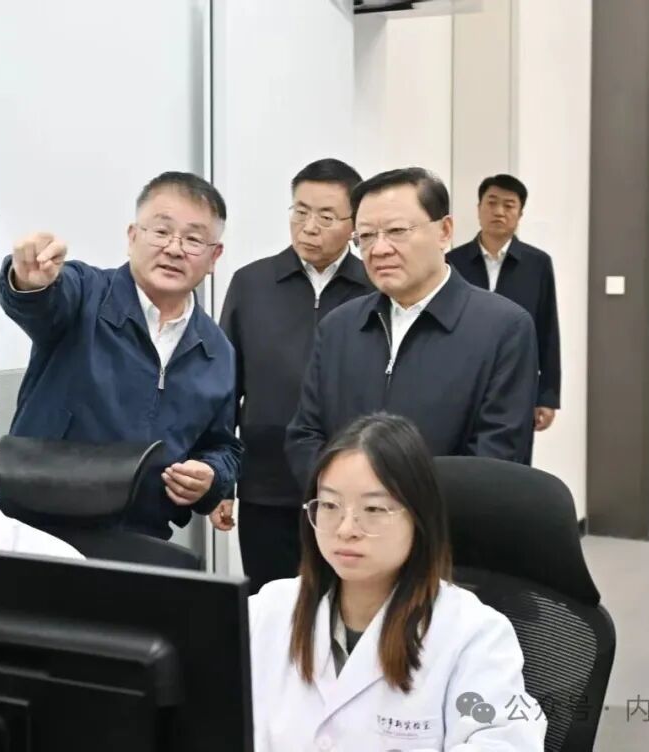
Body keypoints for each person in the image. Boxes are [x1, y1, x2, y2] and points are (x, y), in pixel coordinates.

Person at [249, 413, 546, 750]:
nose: (346, 529)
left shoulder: (474, 635)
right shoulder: (267, 611)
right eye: (330, 505)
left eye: (374, 509)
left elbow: (505, 743)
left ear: (419, 518)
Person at [0, 171, 242, 542]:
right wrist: (29, 282)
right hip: (37, 523)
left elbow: (222, 445)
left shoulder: (218, 351)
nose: (174, 249)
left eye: (193, 239)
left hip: (140, 535)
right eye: (161, 231)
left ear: (214, 256)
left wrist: (212, 477)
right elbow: (43, 302)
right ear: (132, 236)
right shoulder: (85, 292)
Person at [285, 167, 538, 489]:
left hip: (450, 518)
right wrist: (349, 499)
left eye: (397, 231)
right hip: (347, 515)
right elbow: (305, 434)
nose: (379, 249)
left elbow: (497, 456)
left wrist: (399, 507)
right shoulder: (339, 326)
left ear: (444, 231)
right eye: (366, 236)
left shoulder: (504, 328)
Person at [220, 158, 373, 593]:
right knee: (271, 603)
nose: (309, 227)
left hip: (353, 486)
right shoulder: (252, 283)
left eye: (326, 216)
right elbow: (224, 387)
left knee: (350, 601)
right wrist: (222, 481)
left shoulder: (374, 288)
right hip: (266, 483)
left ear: (354, 224)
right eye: (300, 211)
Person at [447, 174, 562, 437]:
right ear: (479, 208)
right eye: (491, 202)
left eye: (509, 205)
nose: (499, 211)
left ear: (520, 214)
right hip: (461, 379)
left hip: (517, 380)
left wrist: (547, 396)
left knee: (512, 451)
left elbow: (547, 330)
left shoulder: (537, 264)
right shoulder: (453, 262)